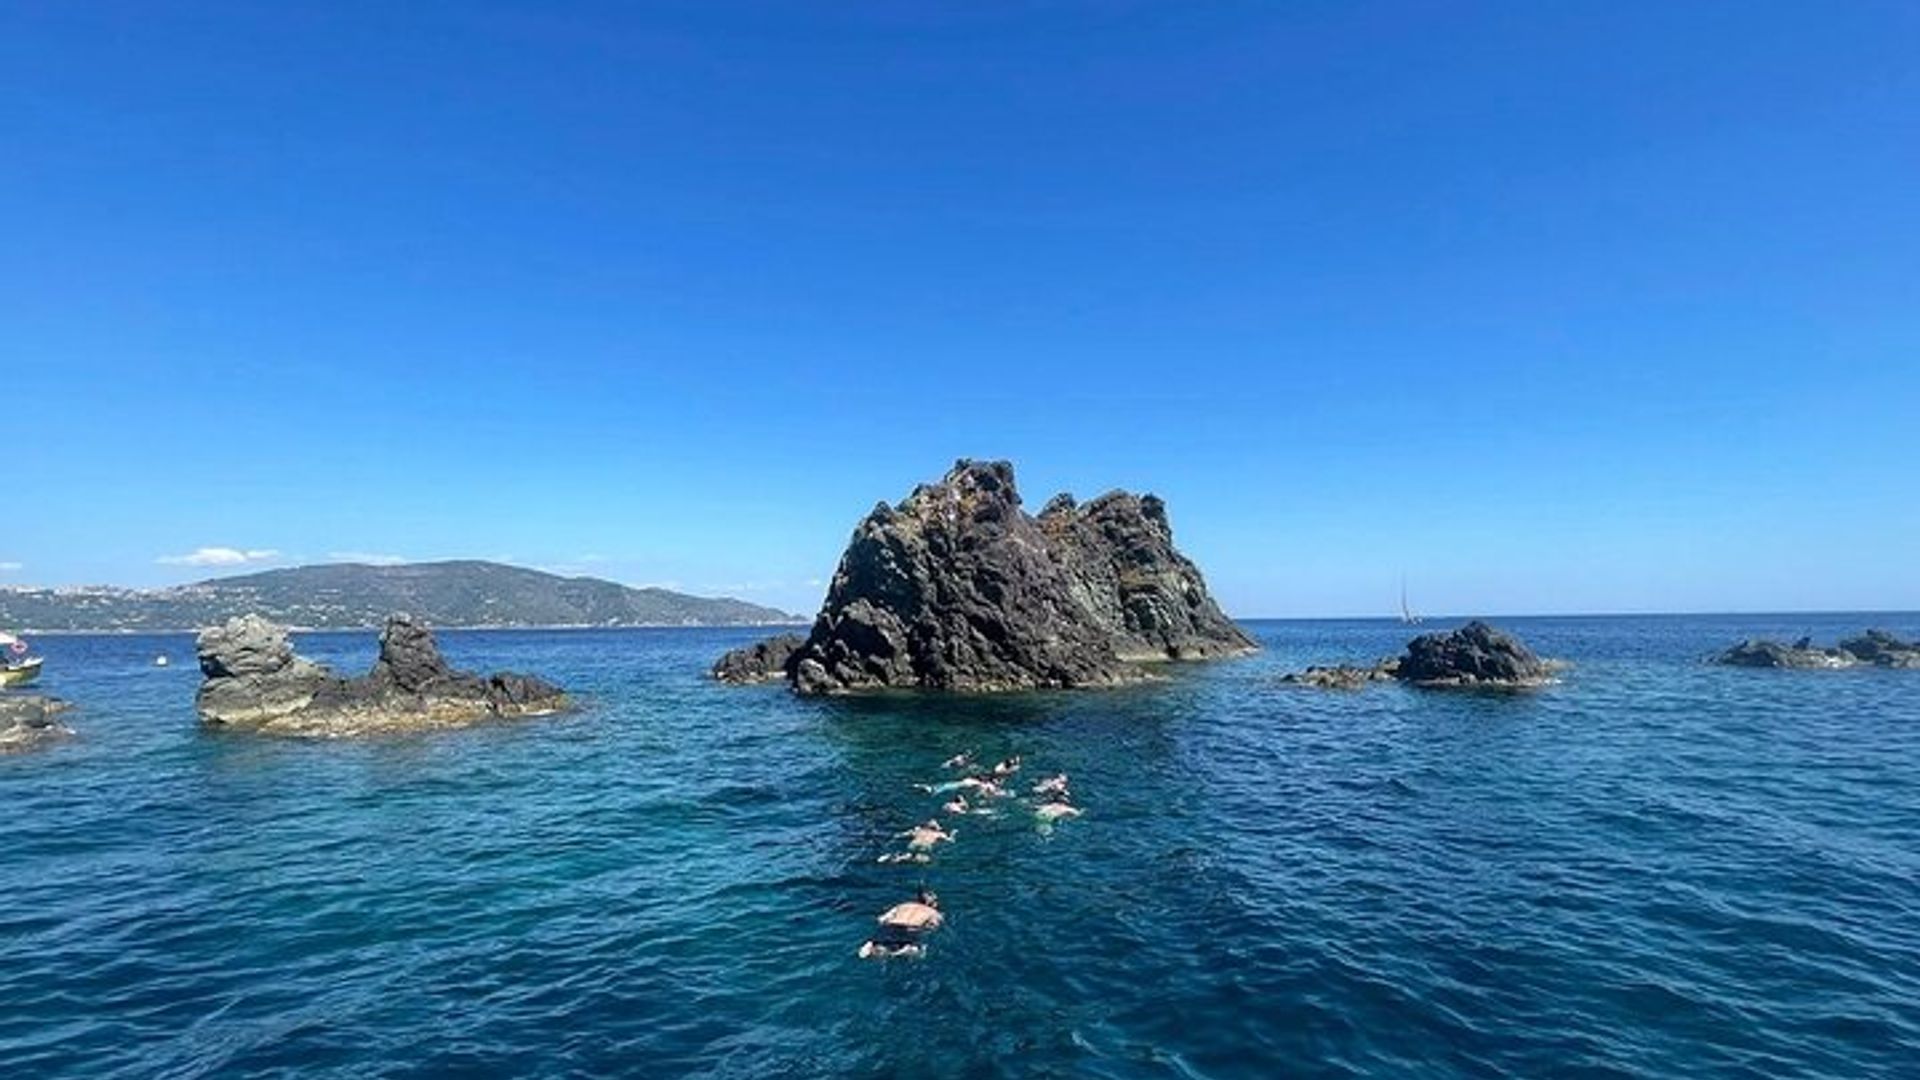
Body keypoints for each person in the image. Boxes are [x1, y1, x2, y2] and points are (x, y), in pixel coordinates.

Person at [858, 888, 943, 958]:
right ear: (933, 903)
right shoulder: (934, 912)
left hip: (891, 926)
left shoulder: (903, 905)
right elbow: (933, 926)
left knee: (877, 942)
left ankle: (869, 945)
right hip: (911, 928)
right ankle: (898, 953)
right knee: (919, 953)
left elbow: (881, 919)